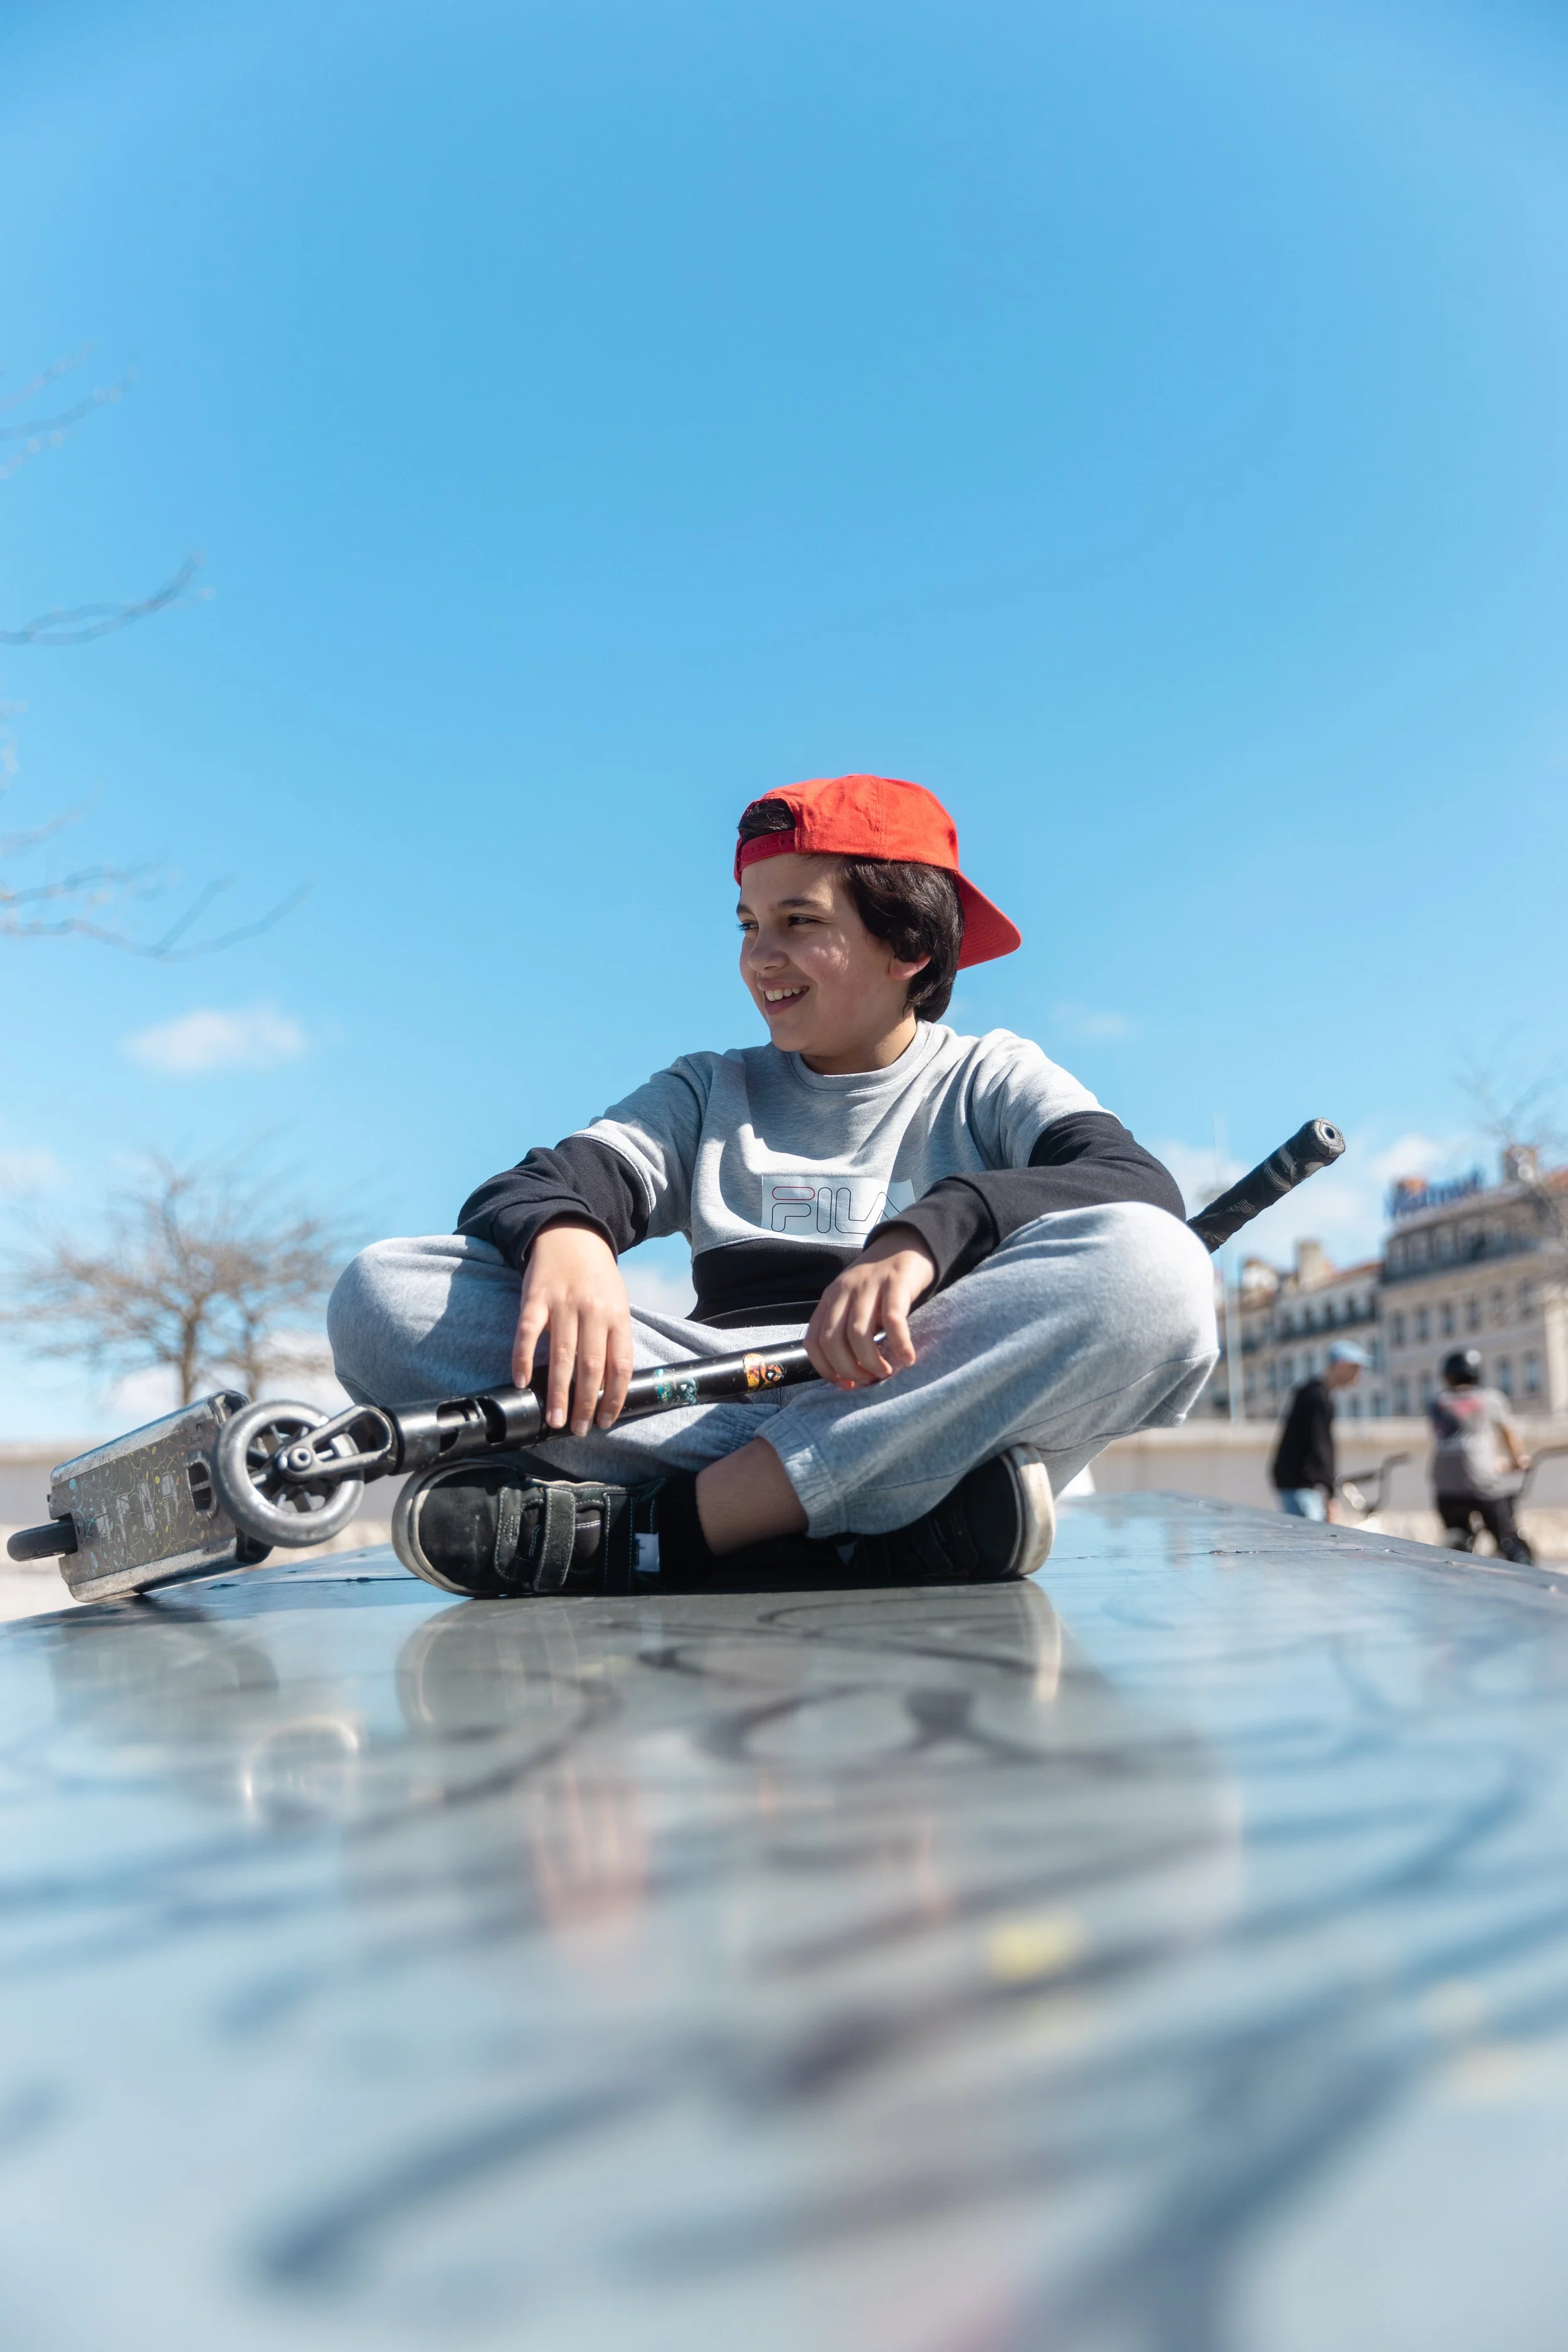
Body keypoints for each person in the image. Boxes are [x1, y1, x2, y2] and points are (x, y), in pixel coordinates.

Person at [328, 773, 1218, 1596]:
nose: (761, 957)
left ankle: (674, 1527)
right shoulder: (709, 1088)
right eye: (749, 924)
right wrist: (568, 1235)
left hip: (911, 1384)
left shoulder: (990, 1074)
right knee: (382, 1294)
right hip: (721, 1400)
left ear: (907, 941)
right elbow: (549, 1181)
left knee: (1158, 1269)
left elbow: (1134, 1188)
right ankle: (884, 1514)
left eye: (799, 921)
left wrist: (924, 1236)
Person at [1429, 1347, 1534, 1564]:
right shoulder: (1491, 1398)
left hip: (1444, 1487)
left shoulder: (1436, 1403)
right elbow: (1508, 1433)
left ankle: (1457, 1550)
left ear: (1447, 1376)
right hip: (1482, 1483)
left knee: (1456, 1540)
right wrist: (1518, 1459)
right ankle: (1522, 1567)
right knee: (1507, 1538)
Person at [1270, 1340, 1368, 1521]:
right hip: (1301, 1485)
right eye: (1355, 1368)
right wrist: (1330, 1495)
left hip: (1297, 1482)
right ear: (1340, 1366)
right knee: (1309, 1542)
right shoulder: (1317, 1397)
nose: (1358, 1376)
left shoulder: (1312, 1392)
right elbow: (1320, 1446)